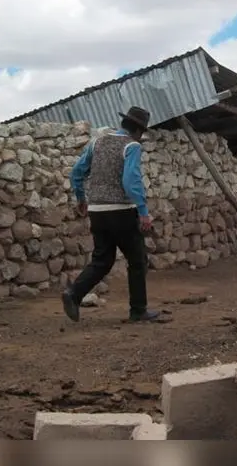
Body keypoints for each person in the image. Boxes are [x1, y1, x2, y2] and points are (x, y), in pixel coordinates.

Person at [61, 106, 160, 323]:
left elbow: (77, 172)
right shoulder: (131, 146)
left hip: (97, 211)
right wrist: (143, 212)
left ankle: (74, 294)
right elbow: (131, 181)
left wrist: (81, 199)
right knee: (137, 259)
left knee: (102, 260)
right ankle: (138, 310)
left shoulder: (97, 142)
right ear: (137, 130)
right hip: (122, 212)